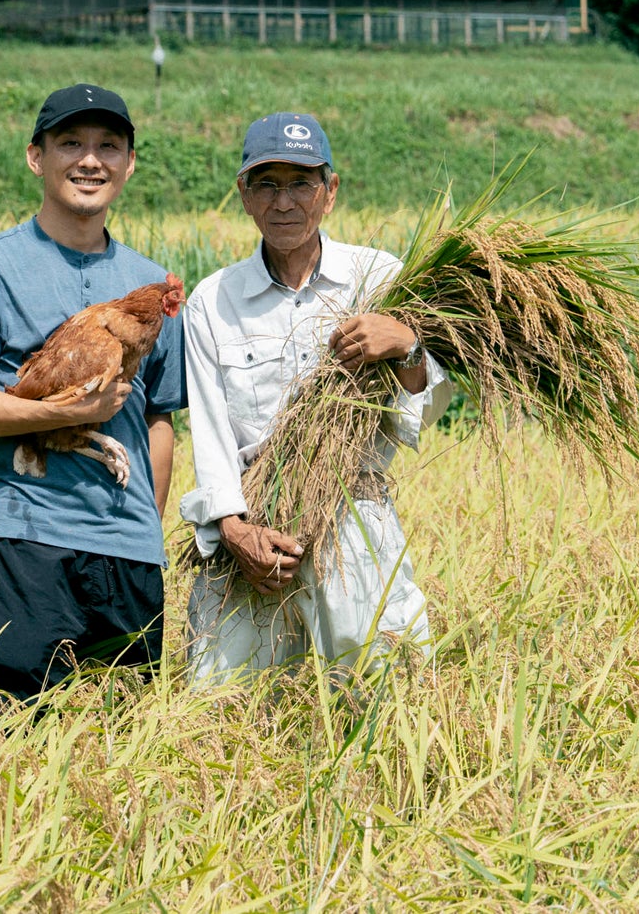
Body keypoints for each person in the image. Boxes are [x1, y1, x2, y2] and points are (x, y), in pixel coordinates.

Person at [0, 84, 185, 704]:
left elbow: (159, 420)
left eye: (108, 146)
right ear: (37, 156)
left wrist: (147, 528)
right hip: (29, 540)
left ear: (128, 164)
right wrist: (63, 411)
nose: (89, 160)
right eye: (70, 143)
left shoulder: (149, 286)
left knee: (120, 742)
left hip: (127, 553)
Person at [179, 112, 449, 683]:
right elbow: (209, 433)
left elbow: (428, 408)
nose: (284, 202)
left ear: (330, 192)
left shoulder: (380, 278)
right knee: (226, 701)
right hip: (254, 534)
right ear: (244, 195)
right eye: (267, 184)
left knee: (377, 688)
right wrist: (231, 529)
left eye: (301, 183)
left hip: (354, 518)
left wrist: (406, 346)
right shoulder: (213, 301)